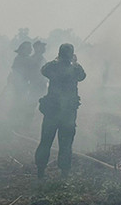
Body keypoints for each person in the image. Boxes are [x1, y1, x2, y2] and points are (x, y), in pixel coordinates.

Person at [35, 43, 86, 179]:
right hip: (67, 114)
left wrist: (56, 60)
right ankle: (64, 174)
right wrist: (75, 62)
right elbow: (82, 76)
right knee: (65, 144)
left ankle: (41, 172)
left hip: (53, 112)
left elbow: (43, 70)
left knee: (46, 141)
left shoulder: (53, 67)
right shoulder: (74, 68)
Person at [8, 41, 33, 130]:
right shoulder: (19, 59)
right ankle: (15, 124)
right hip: (20, 86)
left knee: (22, 104)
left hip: (24, 85)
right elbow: (17, 73)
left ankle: (18, 124)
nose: (31, 49)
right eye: (29, 48)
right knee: (19, 103)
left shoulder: (26, 58)